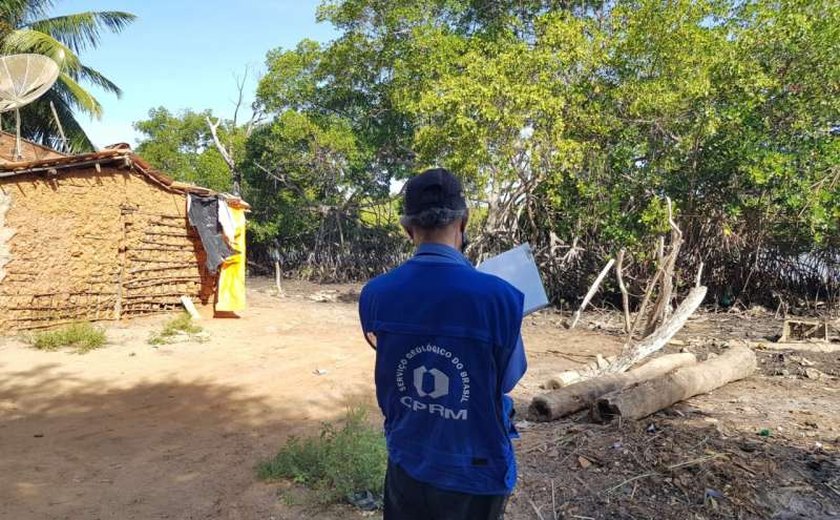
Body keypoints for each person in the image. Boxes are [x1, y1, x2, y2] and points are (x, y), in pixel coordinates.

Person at [359, 167, 527, 520]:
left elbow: (389, 354)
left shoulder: (375, 294)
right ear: (463, 221)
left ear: (408, 229)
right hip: (475, 466)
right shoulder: (501, 298)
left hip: (408, 456)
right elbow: (508, 379)